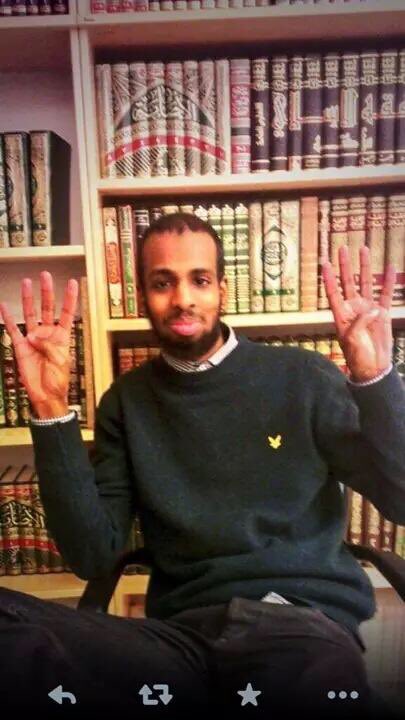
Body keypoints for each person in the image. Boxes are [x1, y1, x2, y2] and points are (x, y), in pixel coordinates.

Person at [0, 212, 404, 720]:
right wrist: (51, 409)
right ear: (143, 296)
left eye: (200, 280)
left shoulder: (304, 377)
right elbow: (92, 556)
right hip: (178, 641)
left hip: (295, 622)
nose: (183, 298)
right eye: (162, 283)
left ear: (223, 290)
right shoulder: (126, 402)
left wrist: (375, 379)